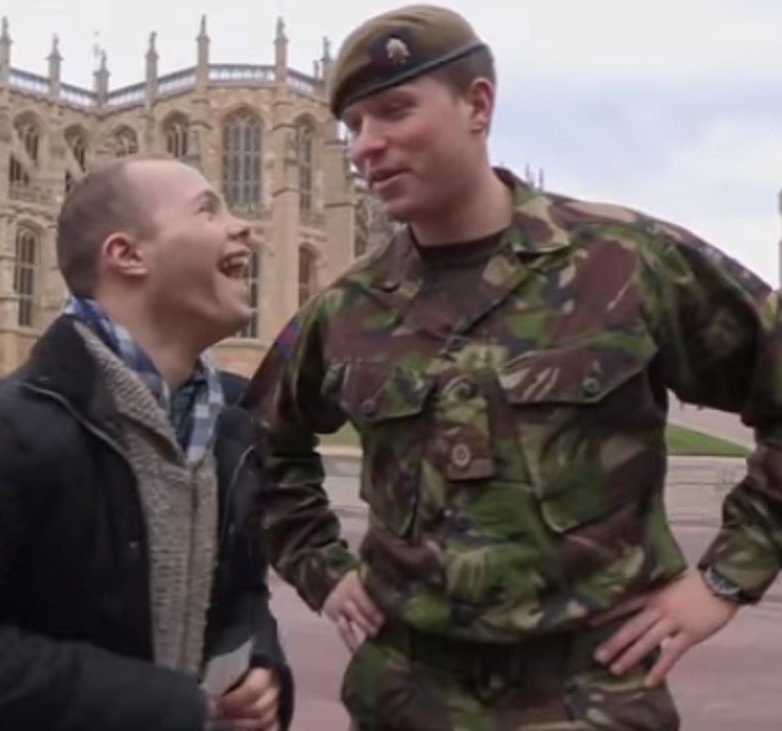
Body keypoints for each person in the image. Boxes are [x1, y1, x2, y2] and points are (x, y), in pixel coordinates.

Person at [242, 5, 782, 730]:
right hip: (406, 694)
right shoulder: (346, 309)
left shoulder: (624, 261)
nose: (368, 144)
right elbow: (261, 448)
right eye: (356, 125)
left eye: (395, 110)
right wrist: (324, 571)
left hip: (592, 693)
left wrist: (723, 578)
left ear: (479, 104)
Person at [0, 154, 295, 731]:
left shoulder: (231, 428)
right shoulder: (0, 431)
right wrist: (158, 707)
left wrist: (260, 662)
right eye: (207, 210)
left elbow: (241, 593)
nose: (241, 225)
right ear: (126, 254)